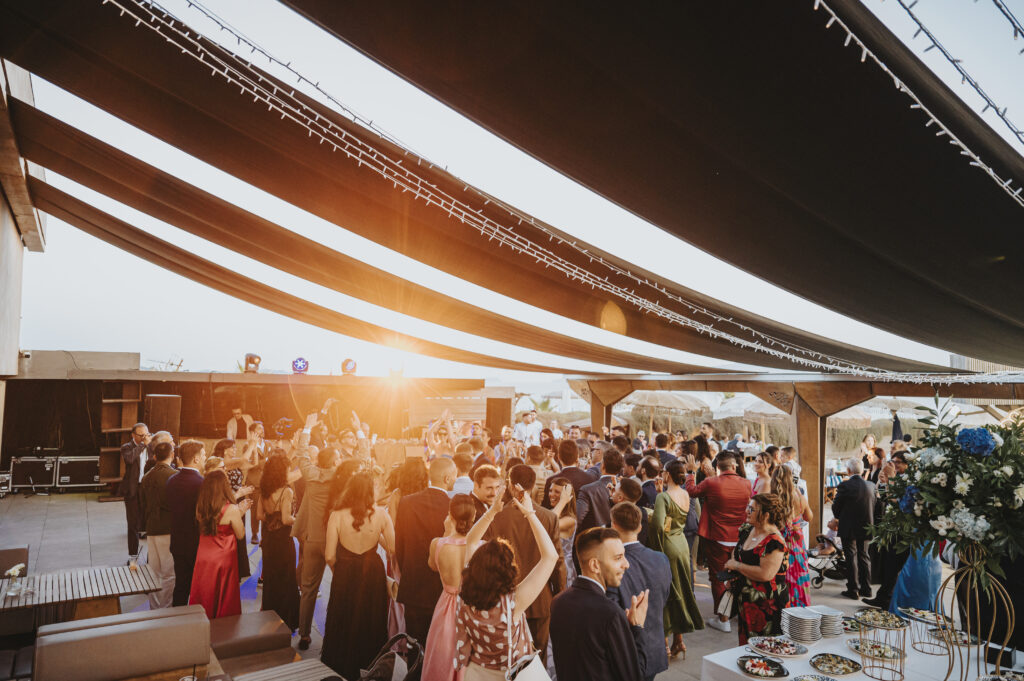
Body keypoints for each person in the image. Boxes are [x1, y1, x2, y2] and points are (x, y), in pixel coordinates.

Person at [455, 483, 559, 680]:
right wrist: (530, 513)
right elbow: (550, 557)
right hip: (510, 675)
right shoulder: (513, 603)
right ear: (508, 570)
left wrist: (492, 511)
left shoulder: (466, 593)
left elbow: (470, 541)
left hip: (476, 673)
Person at [550, 527, 650, 681]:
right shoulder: (610, 614)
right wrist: (637, 628)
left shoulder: (558, 602)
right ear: (595, 565)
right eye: (618, 558)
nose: (626, 564)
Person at [322, 473, 395, 679]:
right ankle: (370, 662)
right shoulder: (381, 514)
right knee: (371, 615)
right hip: (372, 570)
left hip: (345, 570)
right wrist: (375, 533)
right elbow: (392, 548)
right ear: (370, 491)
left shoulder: (336, 515)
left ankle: (341, 664)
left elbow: (329, 555)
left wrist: (339, 572)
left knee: (344, 615)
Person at [489, 466, 566, 663]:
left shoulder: (495, 517)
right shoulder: (548, 517)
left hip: (505, 598)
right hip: (540, 598)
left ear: (510, 484)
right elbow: (557, 562)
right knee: (537, 658)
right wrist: (559, 592)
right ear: (533, 486)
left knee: (508, 657)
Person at [683, 451, 751, 633]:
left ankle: (723, 618)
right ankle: (736, 612)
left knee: (717, 577)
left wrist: (690, 472)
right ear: (734, 466)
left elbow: (691, 491)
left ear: (717, 467)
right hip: (738, 538)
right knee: (737, 576)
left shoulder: (712, 483)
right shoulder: (746, 484)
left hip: (716, 537)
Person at [396, 457, 456, 647]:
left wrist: (407, 571)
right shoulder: (453, 506)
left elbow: (400, 545)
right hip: (442, 586)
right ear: (447, 478)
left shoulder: (406, 502)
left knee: (415, 643)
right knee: (440, 646)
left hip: (413, 583)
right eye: (454, 476)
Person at [609, 502, 672, 680]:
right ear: (639, 527)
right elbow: (664, 596)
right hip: (653, 643)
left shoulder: (613, 566)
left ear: (613, 526)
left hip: (625, 650)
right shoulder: (661, 559)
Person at [647, 459, 703, 657]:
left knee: (666, 593)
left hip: (668, 547)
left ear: (667, 474)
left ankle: (664, 646)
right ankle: (679, 641)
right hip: (681, 545)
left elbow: (658, 526)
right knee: (679, 588)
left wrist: (650, 515)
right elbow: (675, 520)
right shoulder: (685, 494)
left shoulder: (663, 497)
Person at [291, 445, 342, 649]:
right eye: (337, 457)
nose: (339, 460)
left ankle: (304, 634)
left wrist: (307, 429)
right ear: (332, 461)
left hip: (312, 539)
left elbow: (302, 455)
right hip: (333, 541)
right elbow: (364, 462)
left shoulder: (310, 475)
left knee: (308, 589)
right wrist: (360, 434)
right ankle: (337, 631)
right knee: (340, 586)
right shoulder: (340, 476)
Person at [422, 495, 476, 681]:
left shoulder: (438, 544)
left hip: (446, 606)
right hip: (472, 608)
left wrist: (447, 534)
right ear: (474, 516)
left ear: (450, 516)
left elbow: (433, 566)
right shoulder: (480, 547)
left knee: (442, 657)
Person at [724, 493, 790, 644]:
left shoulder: (774, 541)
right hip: (746, 602)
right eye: (748, 507)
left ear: (766, 515)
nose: (747, 511)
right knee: (746, 645)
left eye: (752, 509)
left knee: (766, 648)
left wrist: (737, 566)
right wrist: (732, 573)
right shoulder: (747, 529)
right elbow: (737, 551)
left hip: (768, 605)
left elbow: (765, 574)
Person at [189, 469, 249, 619]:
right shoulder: (231, 509)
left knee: (205, 590)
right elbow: (240, 534)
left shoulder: (201, 506)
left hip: (203, 556)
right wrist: (240, 512)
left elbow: (214, 524)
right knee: (224, 593)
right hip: (223, 557)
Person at [258, 453, 299, 631]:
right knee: (286, 577)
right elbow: (286, 518)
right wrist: (300, 520)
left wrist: (270, 518)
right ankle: (285, 618)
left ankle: (269, 614)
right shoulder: (286, 491)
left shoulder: (264, 490)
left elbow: (259, 515)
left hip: (268, 538)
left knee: (271, 577)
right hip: (283, 539)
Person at [167, 440, 206, 606]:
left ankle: (177, 622)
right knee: (199, 588)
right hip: (197, 543)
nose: (205, 458)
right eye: (204, 455)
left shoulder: (172, 481)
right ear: (196, 459)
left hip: (177, 542)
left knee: (181, 586)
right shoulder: (202, 483)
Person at [138, 440, 176, 608]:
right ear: (172, 455)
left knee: (154, 571)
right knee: (169, 573)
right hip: (168, 527)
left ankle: (154, 607)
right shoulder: (174, 476)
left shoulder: (146, 477)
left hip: (152, 527)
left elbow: (142, 504)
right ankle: (165, 607)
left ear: (154, 457)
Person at [832, 457, 875, 599]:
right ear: (862, 471)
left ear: (848, 470)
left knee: (851, 557)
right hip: (867, 525)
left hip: (849, 527)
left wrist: (839, 516)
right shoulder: (871, 485)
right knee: (864, 556)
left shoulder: (845, 486)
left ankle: (853, 589)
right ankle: (867, 589)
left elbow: (836, 507)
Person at [770, 466, 812, 607]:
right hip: (797, 542)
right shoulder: (799, 496)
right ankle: (799, 609)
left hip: (779, 542)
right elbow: (809, 517)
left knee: (779, 576)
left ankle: (782, 609)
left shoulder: (773, 498)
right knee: (798, 575)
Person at [119, 423, 151, 561]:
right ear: (133, 435)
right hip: (133, 488)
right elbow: (130, 459)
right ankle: (133, 555)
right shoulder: (127, 447)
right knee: (133, 524)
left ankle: (152, 556)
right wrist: (143, 445)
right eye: (141, 435)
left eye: (146, 434)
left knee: (150, 521)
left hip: (147, 488)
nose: (144, 437)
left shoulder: (151, 447)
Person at [576, 449, 623, 537]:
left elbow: (577, 519)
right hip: (618, 540)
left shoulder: (587, 490)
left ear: (602, 466)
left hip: (593, 541)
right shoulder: (626, 489)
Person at [542, 439, 596, 507]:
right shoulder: (590, 478)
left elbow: (546, 509)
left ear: (559, 457)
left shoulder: (551, 481)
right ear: (577, 457)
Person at [547, 477, 578, 586]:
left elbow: (549, 523)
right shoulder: (553, 512)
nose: (551, 494)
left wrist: (563, 501)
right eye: (550, 490)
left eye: (557, 492)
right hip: (551, 567)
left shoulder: (570, 520)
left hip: (563, 569)